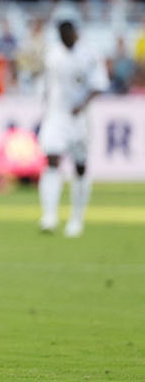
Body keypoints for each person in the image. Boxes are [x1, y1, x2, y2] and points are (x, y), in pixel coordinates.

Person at [37, 20, 108, 238]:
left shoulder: (89, 55)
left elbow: (99, 85)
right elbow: (46, 84)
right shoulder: (53, 55)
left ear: (76, 33)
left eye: (70, 34)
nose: (67, 38)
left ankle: (76, 218)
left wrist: (83, 104)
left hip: (79, 119)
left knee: (80, 167)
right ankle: (49, 216)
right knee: (52, 160)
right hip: (56, 116)